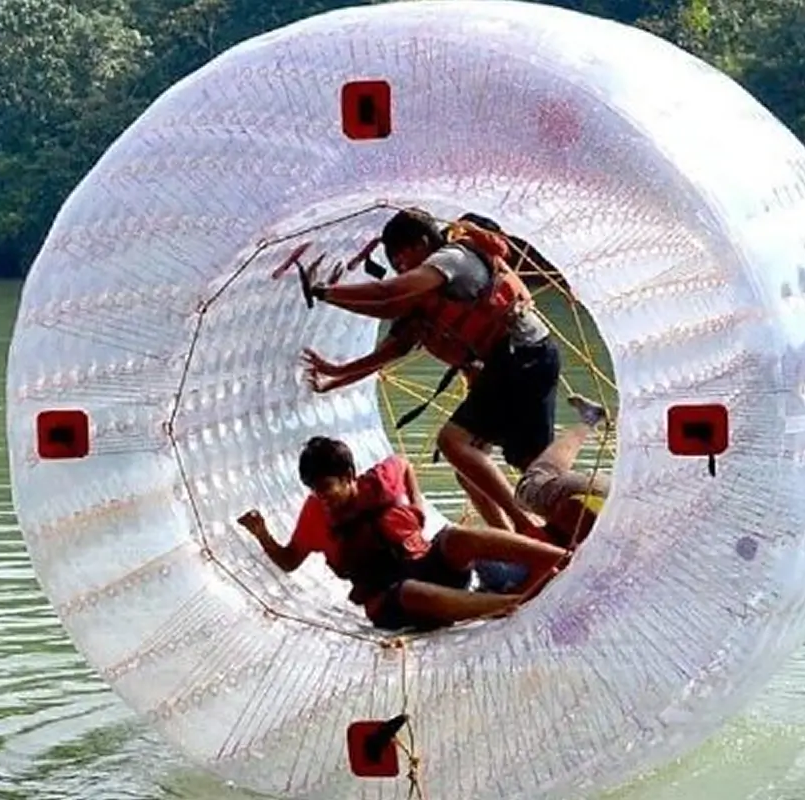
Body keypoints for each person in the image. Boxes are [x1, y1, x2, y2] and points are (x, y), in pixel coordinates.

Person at [301, 208, 562, 540]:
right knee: (494, 469)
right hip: (517, 362)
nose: (401, 269)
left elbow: (388, 295)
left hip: (522, 356)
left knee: (454, 443)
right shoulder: (425, 300)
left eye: (402, 260)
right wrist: (335, 375)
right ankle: (523, 541)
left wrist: (324, 292)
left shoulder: (454, 258)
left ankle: (529, 530)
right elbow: (392, 345)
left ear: (423, 243)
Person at [237, 436, 569, 632]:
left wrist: (418, 506)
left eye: (326, 488)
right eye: (313, 489)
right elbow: (289, 561)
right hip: (391, 602)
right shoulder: (315, 514)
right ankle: (507, 605)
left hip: (430, 568)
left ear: (349, 476)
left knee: (454, 537)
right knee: (409, 590)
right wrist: (261, 533)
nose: (321, 497)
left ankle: (564, 559)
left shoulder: (380, 480)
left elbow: (404, 463)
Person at [514, 394, 613, 547]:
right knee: (532, 492)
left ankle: (589, 419)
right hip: (615, 504)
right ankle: (589, 419)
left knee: (530, 488)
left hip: (614, 497)